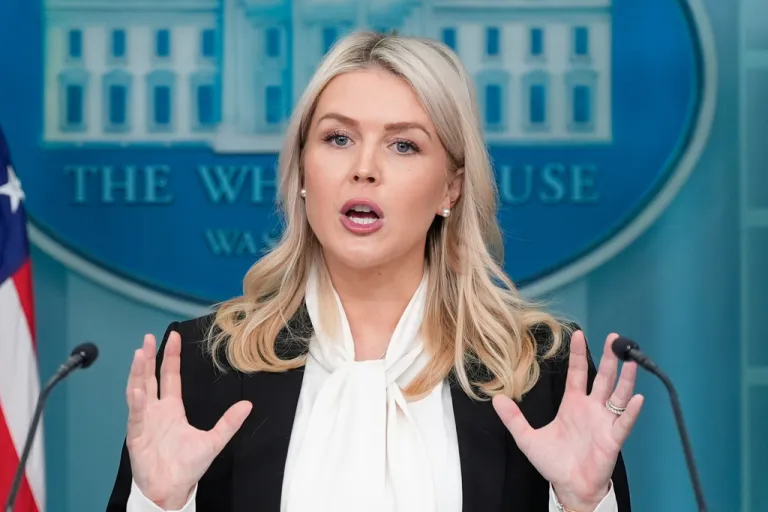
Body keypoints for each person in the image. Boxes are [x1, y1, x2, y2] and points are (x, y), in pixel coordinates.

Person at [106, 30, 643, 512]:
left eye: (403, 144)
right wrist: (158, 504)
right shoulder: (204, 367)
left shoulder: (538, 372)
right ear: (302, 172)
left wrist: (583, 505)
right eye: (338, 138)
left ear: (450, 189)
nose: (364, 167)